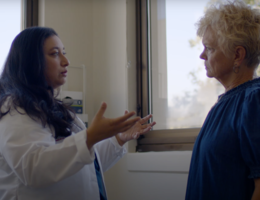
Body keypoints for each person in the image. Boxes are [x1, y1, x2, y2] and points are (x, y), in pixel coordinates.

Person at [0, 27, 156, 200]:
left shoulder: (58, 110)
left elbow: (84, 166)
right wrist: (89, 138)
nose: (66, 61)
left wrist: (119, 138)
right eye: (54, 54)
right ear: (30, 62)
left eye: (64, 52)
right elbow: (33, 169)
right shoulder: (15, 108)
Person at [185, 1, 260, 200]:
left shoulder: (253, 101)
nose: (202, 55)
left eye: (209, 48)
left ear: (237, 55)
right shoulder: (226, 102)